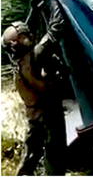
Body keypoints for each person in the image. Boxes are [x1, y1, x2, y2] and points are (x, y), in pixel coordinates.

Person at [2, 21, 66, 176]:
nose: (29, 36)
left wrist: (34, 10)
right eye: (25, 36)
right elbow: (54, 32)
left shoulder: (19, 62)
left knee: (31, 156)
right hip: (49, 116)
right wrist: (55, 3)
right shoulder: (36, 55)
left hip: (34, 117)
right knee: (55, 158)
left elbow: (22, 34)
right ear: (19, 42)